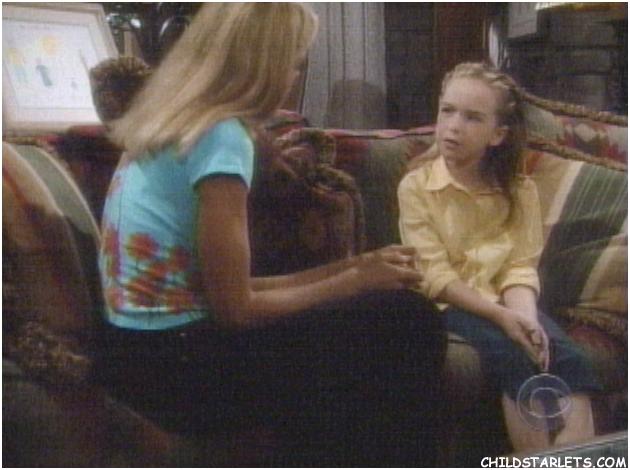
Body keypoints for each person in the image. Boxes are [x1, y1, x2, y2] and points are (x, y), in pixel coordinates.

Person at [97, 3, 445, 466]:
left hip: (135, 355)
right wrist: (354, 282)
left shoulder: (170, 122)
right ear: (264, 64)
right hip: (177, 370)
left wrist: (356, 267)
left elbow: (223, 291)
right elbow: (235, 309)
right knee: (408, 319)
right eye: (294, 62)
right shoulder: (222, 136)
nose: (294, 76)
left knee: (368, 318)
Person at [398, 62, 600, 452]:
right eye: (447, 111)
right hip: (451, 303)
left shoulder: (520, 190)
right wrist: (501, 318)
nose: (454, 126)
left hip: (506, 301)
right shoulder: (416, 187)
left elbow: (518, 266)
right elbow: (435, 275)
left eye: (472, 117)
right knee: (515, 358)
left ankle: (578, 458)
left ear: (498, 134)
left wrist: (524, 317)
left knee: (568, 360)